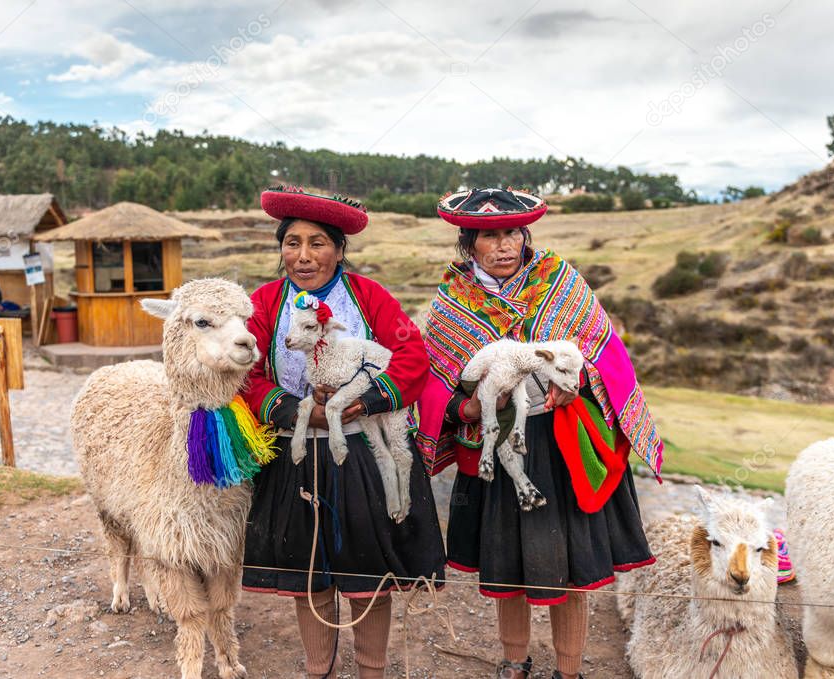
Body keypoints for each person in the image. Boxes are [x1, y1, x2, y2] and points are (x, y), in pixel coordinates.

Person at [417, 188, 665, 679]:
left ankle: (569, 670)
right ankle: (513, 663)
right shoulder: (452, 303)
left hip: (560, 445)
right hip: (499, 440)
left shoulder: (563, 284)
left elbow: (603, 351)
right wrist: (465, 407)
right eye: (490, 235)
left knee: (569, 561)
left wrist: (579, 386)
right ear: (469, 244)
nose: (504, 245)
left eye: (512, 232)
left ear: (526, 235)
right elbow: (435, 375)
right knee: (506, 561)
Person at [242, 187, 446, 679]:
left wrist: (366, 401)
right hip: (294, 452)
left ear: (338, 249)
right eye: (292, 243)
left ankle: (371, 670)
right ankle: (319, 670)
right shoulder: (265, 303)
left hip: (363, 452)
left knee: (367, 573)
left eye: (317, 243)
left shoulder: (369, 296)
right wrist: (291, 409)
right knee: (309, 572)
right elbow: (245, 372)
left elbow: (412, 357)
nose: (304, 256)